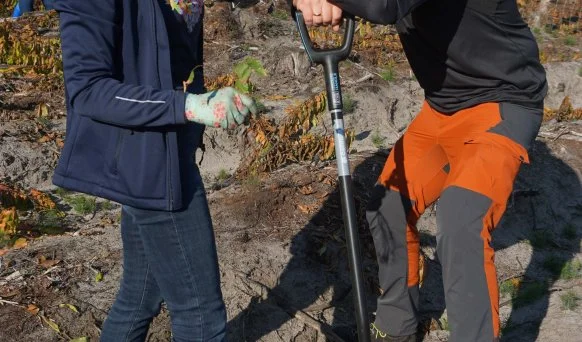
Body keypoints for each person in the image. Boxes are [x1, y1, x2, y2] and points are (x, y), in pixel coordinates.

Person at [292, 0, 547, 341]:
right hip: (443, 109)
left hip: (502, 104)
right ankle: (397, 328)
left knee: (461, 224)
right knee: (387, 207)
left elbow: (384, 6)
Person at [52, 0, 257, 341]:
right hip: (148, 165)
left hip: (169, 154)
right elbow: (87, 90)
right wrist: (188, 107)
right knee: (201, 316)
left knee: (139, 297)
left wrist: (202, 101)